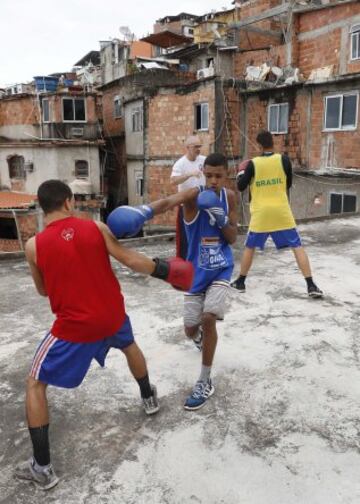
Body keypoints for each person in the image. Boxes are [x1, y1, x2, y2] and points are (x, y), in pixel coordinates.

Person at [15, 180, 194, 491]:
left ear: (42, 210)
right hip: (112, 314)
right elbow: (129, 260)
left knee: (34, 382)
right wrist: (168, 273)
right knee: (129, 345)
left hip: (75, 327)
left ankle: (41, 468)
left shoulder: (33, 246)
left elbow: (43, 290)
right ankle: (148, 398)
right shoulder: (96, 227)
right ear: (69, 202)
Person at [231, 130, 323, 298]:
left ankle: (240, 282)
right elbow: (288, 184)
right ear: (272, 143)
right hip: (282, 212)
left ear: (259, 145)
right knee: (297, 246)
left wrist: (241, 175)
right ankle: (311, 285)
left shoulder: (252, 164)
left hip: (261, 213)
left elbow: (240, 186)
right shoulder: (284, 160)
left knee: (250, 247)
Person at [170, 135, 206, 259]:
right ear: (187, 148)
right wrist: (189, 174)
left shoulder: (204, 160)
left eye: (199, 146)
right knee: (184, 238)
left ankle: (201, 260)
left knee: (203, 235)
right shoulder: (180, 163)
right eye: (196, 147)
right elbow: (173, 181)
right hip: (186, 206)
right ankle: (184, 263)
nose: (198, 149)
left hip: (202, 205)